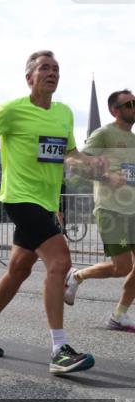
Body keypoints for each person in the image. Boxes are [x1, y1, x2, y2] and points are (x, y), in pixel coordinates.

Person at [0, 50, 108, 375]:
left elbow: (69, 154)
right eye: (45, 68)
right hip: (19, 198)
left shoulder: (63, 113)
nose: (52, 73)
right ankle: (59, 350)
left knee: (19, 270)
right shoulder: (12, 110)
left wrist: (92, 164)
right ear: (29, 77)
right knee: (60, 262)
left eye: (56, 69)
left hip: (44, 203)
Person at [63, 89, 135, 330]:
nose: (134, 107)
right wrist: (105, 177)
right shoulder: (103, 134)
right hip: (111, 210)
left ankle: (119, 315)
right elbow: (74, 163)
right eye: (129, 104)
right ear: (116, 111)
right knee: (122, 267)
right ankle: (76, 276)